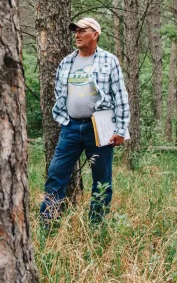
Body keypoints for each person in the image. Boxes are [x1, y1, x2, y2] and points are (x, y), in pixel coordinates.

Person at [40, 17, 130, 226]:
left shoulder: (109, 61)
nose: (77, 35)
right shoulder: (67, 62)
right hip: (70, 127)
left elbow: (120, 96)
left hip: (99, 127)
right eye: (76, 31)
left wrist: (121, 129)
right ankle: (48, 223)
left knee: (101, 178)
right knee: (56, 173)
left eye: (82, 30)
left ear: (95, 34)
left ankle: (97, 225)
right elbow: (59, 92)